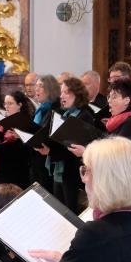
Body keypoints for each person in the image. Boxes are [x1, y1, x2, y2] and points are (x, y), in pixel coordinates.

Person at [43, 77, 95, 212]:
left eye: (66, 92)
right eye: (61, 92)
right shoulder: (64, 115)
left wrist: (50, 151)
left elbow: (75, 148)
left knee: (71, 213)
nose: (62, 96)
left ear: (77, 94)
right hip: (59, 172)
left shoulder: (85, 116)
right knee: (59, 213)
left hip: (73, 174)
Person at [0, 91, 33, 188]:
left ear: (19, 105)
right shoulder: (4, 122)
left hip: (19, 171)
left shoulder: (26, 123)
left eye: (10, 103)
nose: (6, 106)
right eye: (5, 103)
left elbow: (24, 151)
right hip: (4, 169)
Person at [103, 77, 131, 144]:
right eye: (109, 97)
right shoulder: (116, 119)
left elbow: (118, 151)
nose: (109, 100)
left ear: (126, 101)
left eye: (114, 97)